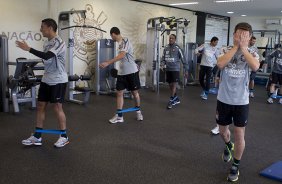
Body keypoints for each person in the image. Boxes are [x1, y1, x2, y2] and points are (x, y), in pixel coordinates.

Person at [216, 22, 259, 182]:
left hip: (241, 101)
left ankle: (235, 165)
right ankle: (228, 146)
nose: (241, 38)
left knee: (239, 134)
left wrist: (244, 48)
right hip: (223, 99)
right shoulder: (225, 49)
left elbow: (255, 67)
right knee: (222, 131)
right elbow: (220, 64)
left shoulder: (253, 53)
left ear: (249, 37)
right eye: (238, 35)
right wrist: (236, 47)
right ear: (233, 35)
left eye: (244, 36)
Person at [16, 18, 69, 148]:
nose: (40, 30)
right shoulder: (47, 43)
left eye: (42, 27)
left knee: (57, 107)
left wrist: (28, 49)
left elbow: (47, 56)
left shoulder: (59, 42)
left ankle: (64, 136)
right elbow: (46, 60)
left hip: (58, 79)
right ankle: (37, 136)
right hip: (47, 78)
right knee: (40, 105)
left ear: (50, 28)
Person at [99, 27, 143, 123]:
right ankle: (119, 116)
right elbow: (121, 57)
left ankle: (138, 111)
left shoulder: (125, 41)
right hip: (122, 73)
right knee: (119, 93)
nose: (112, 38)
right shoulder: (119, 44)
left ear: (113, 34)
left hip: (131, 72)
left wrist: (108, 62)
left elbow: (122, 55)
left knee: (135, 93)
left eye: (111, 36)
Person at [161, 34, 188, 109]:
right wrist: (162, 64)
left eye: (172, 38)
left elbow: (183, 59)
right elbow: (163, 58)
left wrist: (186, 70)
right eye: (169, 38)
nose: (170, 39)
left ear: (175, 39)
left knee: (174, 84)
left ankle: (171, 100)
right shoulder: (166, 48)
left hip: (175, 69)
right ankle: (176, 98)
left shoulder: (178, 48)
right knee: (170, 85)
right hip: (168, 69)